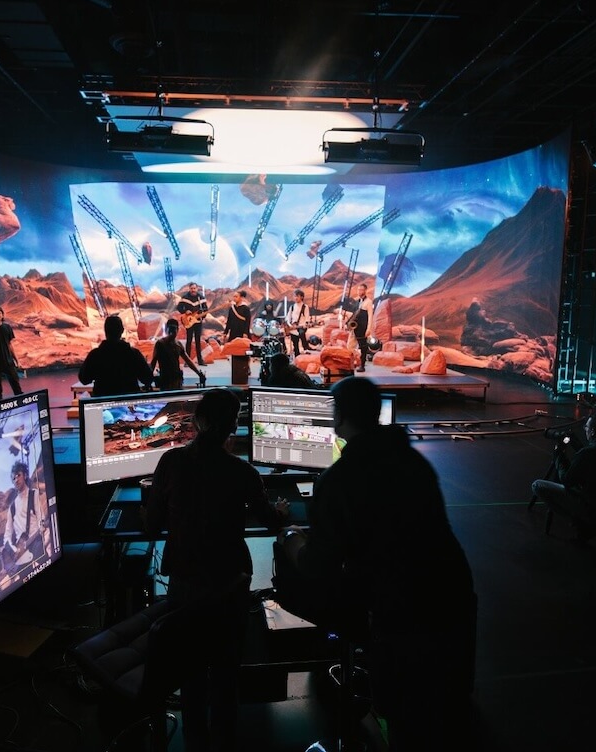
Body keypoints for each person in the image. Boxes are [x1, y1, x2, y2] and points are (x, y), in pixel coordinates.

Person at [276, 376, 477, 751]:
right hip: (452, 592)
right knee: (450, 709)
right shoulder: (413, 460)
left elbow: (317, 564)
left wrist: (289, 537)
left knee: (403, 716)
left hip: (400, 611)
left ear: (338, 418)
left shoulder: (340, 479)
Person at [143, 388, 289, 752]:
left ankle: (195, 741)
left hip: (185, 584)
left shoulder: (170, 463)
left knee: (191, 671)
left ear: (199, 420)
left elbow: (150, 527)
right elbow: (271, 522)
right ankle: (224, 739)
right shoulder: (243, 472)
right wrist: (282, 512)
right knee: (225, 673)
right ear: (232, 427)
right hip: (230, 584)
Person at [531, 413, 596, 544]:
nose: (584, 429)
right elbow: (594, 460)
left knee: (538, 486)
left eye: (586, 427)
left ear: (592, 432)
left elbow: (566, 480)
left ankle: (585, 525)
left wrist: (558, 454)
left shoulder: (586, 454)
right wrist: (577, 445)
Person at [78, 314, 154, 397]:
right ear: (122, 330)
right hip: (129, 402)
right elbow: (147, 378)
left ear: (105, 331)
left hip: (103, 402)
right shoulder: (133, 354)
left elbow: (84, 379)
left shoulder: (95, 355)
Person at [0, 461, 46, 576]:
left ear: (25, 475)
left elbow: (41, 518)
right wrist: (14, 550)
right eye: (13, 478)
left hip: (35, 542)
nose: (16, 479)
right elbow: (7, 536)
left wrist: (42, 527)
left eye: (18, 475)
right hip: (20, 552)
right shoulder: (12, 507)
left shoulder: (33, 494)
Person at [150, 318, 207, 391]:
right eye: (171, 329)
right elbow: (153, 362)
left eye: (174, 329)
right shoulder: (160, 344)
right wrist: (148, 379)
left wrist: (199, 373)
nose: (172, 332)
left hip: (176, 379)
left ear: (177, 329)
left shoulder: (178, 345)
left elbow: (188, 361)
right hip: (165, 379)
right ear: (166, 329)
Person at [177, 282, 208, 365]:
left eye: (194, 288)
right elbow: (179, 307)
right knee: (189, 340)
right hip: (189, 321)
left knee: (198, 340)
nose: (193, 290)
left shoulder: (201, 298)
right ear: (189, 289)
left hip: (198, 321)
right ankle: (187, 361)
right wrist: (185, 311)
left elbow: (205, 309)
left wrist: (201, 316)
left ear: (197, 288)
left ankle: (200, 360)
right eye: (191, 288)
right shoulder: (185, 297)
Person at [347, 283, 373, 372]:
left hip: (362, 328)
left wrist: (369, 329)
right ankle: (351, 363)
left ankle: (362, 365)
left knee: (363, 347)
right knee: (349, 346)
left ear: (365, 291)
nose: (359, 291)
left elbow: (370, 316)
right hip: (355, 328)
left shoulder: (368, 302)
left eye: (361, 290)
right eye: (358, 290)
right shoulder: (357, 301)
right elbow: (354, 314)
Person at [284, 289, 311, 358]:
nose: (295, 298)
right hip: (293, 328)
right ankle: (297, 357)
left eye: (297, 296)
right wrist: (290, 325)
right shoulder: (292, 307)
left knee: (302, 333)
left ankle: (305, 348)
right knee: (295, 343)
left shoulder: (305, 307)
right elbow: (288, 317)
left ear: (302, 297)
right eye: (295, 296)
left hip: (301, 326)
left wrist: (305, 324)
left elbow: (307, 318)